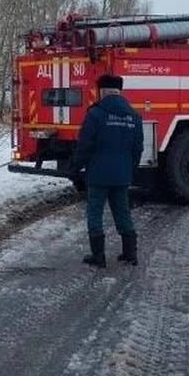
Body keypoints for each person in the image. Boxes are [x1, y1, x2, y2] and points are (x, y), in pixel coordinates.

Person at [74, 74, 144, 267]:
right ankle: (130, 254)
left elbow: (85, 145)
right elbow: (138, 147)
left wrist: (76, 166)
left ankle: (99, 256)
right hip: (122, 174)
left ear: (102, 91)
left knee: (95, 212)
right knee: (122, 211)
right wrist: (131, 168)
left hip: (98, 174)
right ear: (119, 91)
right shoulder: (133, 115)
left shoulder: (95, 114)